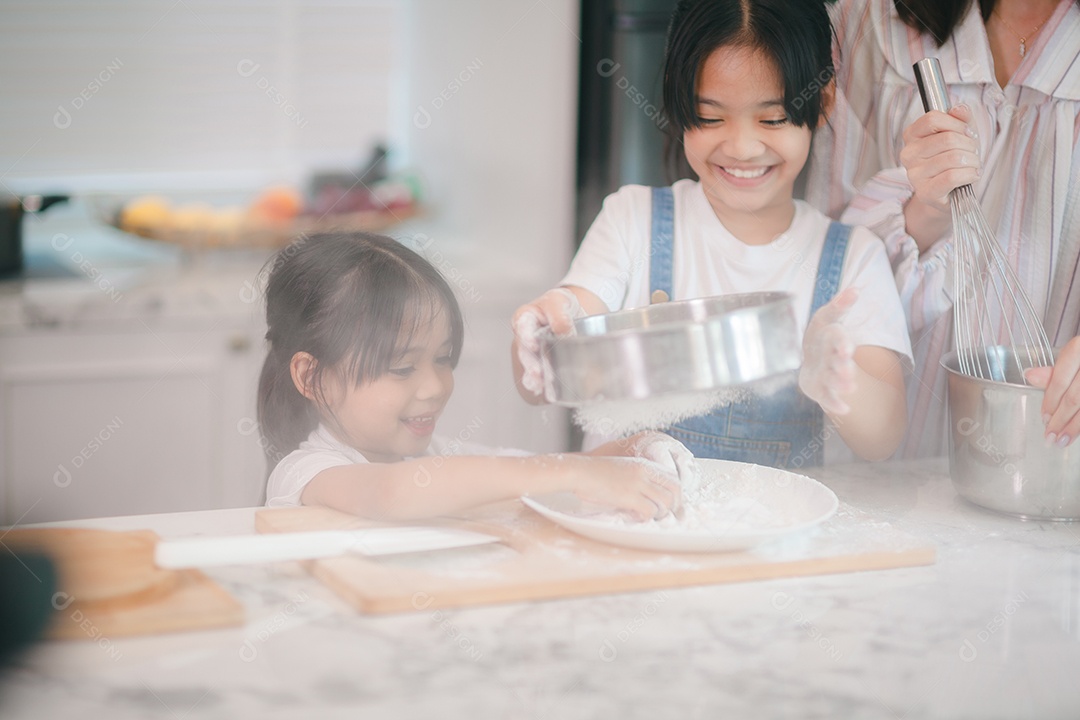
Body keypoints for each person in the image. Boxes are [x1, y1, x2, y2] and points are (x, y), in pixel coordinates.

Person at [512, 0, 912, 468]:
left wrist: (839, 383)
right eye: (711, 117)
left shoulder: (853, 259)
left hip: (779, 538)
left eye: (772, 118)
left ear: (821, 103)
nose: (742, 147)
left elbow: (885, 438)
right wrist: (544, 330)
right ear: (678, 101)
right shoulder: (632, 221)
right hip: (635, 531)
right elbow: (537, 381)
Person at [256, 232, 692, 522]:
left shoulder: (438, 457)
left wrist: (631, 451)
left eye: (443, 359)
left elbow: (530, 480)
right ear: (311, 376)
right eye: (402, 368)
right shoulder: (305, 474)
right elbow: (390, 494)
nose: (434, 387)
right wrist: (575, 473)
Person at [804, 0, 1080, 457]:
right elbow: (824, 282)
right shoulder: (866, 29)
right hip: (883, 479)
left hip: (1053, 477)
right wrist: (924, 214)